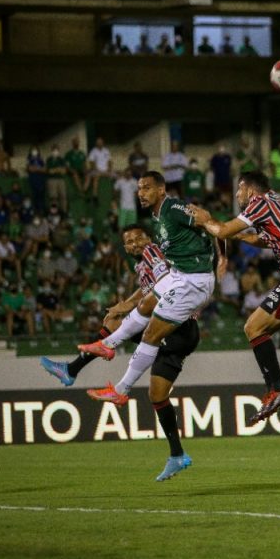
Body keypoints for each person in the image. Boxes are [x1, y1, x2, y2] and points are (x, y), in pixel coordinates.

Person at [41, 225, 198, 480]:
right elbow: (147, 290)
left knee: (113, 324)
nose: (135, 243)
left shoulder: (152, 252)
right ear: (124, 247)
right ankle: (177, 455)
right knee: (157, 395)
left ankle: (77, 368)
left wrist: (125, 307)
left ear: (149, 239)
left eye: (139, 237)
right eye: (129, 241)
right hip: (175, 333)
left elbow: (163, 285)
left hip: (178, 329)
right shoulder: (142, 263)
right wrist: (125, 304)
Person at [191, 171, 280, 425]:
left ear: (250, 190)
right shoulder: (274, 202)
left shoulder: (260, 203)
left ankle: (278, 390)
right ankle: (277, 389)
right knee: (256, 330)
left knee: (253, 326)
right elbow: (268, 240)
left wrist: (205, 220)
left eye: (239, 191)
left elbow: (221, 230)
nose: (237, 196)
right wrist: (236, 236)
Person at [79, 172, 220, 406]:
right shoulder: (159, 217)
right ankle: (107, 345)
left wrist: (221, 254)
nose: (141, 193)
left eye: (146, 188)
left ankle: (121, 390)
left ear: (161, 190)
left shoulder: (172, 208)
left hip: (193, 279)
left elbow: (208, 221)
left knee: (150, 334)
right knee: (145, 303)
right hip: (182, 275)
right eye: (139, 189)